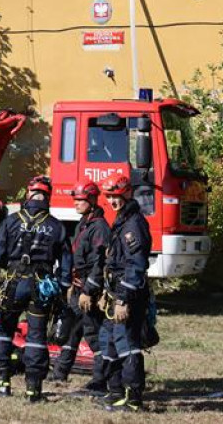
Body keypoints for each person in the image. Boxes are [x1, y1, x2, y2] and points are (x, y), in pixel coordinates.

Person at [0, 176, 72, 403]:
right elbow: (66, 262)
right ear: (47, 197)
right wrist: (62, 289)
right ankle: (34, 391)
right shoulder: (56, 226)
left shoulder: (11, 222)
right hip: (41, 289)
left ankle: (2, 383)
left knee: (2, 330)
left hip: (12, 285)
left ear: (28, 195)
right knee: (36, 337)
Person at [95, 174, 153, 413]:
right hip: (115, 292)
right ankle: (116, 393)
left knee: (128, 345)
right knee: (110, 344)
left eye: (116, 196)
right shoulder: (122, 220)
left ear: (127, 193)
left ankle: (133, 400)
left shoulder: (133, 224)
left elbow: (135, 266)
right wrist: (106, 293)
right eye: (109, 196)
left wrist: (122, 300)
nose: (112, 200)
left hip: (128, 296)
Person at [50, 180, 110, 392]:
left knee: (93, 333)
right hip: (77, 288)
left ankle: (101, 380)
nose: (75, 203)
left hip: (88, 290)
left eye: (80, 200)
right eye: (75, 199)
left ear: (92, 200)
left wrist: (89, 291)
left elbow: (99, 262)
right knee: (71, 330)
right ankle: (59, 373)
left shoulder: (99, 228)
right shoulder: (84, 224)